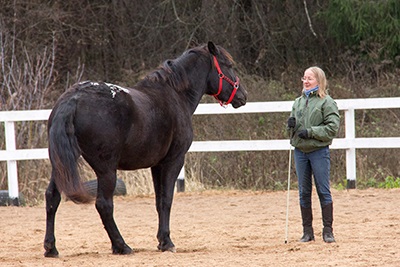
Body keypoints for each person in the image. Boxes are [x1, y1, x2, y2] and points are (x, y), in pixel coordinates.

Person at [287, 66, 340, 243]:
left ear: (319, 80)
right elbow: (290, 133)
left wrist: (311, 132)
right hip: (300, 151)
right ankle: (307, 232)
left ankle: (328, 230)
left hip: (318, 151)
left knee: (323, 190)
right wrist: (290, 125)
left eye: (310, 78)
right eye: (304, 78)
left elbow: (332, 128)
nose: (306, 81)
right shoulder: (298, 102)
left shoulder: (327, 102)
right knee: (303, 192)